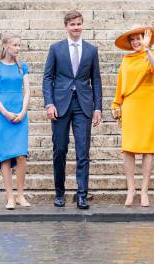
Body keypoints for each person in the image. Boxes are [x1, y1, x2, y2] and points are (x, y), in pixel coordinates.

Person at [42, 11, 102, 209]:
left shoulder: (91, 50)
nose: (76, 27)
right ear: (66, 26)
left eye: (79, 24)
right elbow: (48, 78)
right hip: (60, 105)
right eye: (72, 24)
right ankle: (59, 193)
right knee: (60, 149)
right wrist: (49, 103)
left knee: (83, 152)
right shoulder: (56, 49)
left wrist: (98, 107)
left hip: (83, 105)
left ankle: (82, 194)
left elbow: (96, 80)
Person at [112, 25, 154, 207]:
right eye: (132, 40)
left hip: (149, 104)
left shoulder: (152, 55)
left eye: (138, 38)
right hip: (131, 105)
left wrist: (147, 49)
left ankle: (144, 191)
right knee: (128, 148)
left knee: (148, 149)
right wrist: (116, 103)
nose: (135, 42)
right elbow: (120, 83)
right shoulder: (126, 60)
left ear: (145, 39)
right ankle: (131, 189)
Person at [0, 34, 31, 210]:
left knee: (21, 154)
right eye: (14, 45)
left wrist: (23, 111)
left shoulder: (22, 67)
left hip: (20, 112)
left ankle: (20, 195)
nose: (17, 48)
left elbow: (27, 91)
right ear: (5, 46)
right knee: (5, 155)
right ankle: (10, 197)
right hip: (3, 114)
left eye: (19, 45)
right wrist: (4, 112)